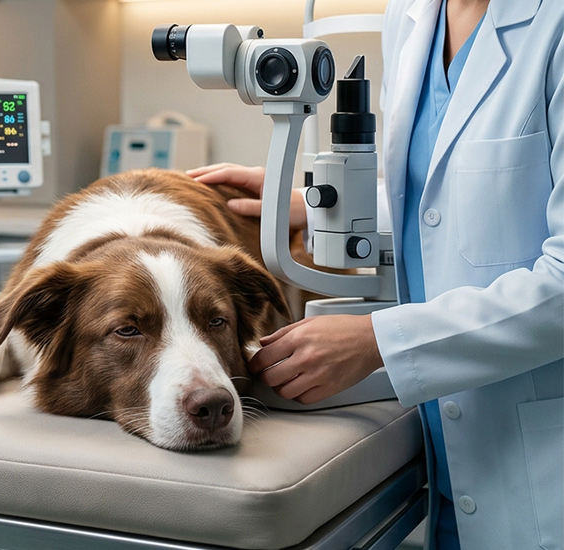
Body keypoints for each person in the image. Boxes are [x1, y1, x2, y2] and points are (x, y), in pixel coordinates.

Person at [186, 0, 563, 548]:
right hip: (450, 452)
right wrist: (316, 206)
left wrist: (377, 342)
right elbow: (437, 197)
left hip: (542, 462)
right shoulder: (410, 15)